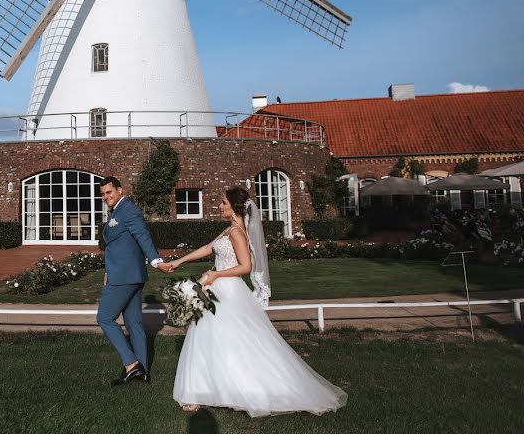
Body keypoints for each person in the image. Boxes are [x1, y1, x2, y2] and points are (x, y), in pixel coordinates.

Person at [166, 187, 347, 416]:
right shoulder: (228, 230)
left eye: (223, 203)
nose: (219, 206)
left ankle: (235, 387)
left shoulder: (237, 233)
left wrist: (215, 275)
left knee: (234, 340)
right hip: (218, 288)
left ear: (234, 207)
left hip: (228, 290)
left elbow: (245, 267)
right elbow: (207, 248)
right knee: (212, 338)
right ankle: (208, 388)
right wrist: (179, 262)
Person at [97, 176, 172, 386]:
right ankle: (143, 372)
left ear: (120, 190)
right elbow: (119, 245)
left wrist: (157, 260)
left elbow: (142, 237)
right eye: (102, 194)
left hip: (124, 276)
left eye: (109, 192)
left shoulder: (128, 210)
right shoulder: (117, 211)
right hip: (126, 273)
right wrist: (107, 271)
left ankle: (131, 365)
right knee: (134, 323)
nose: (105, 197)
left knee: (104, 318)